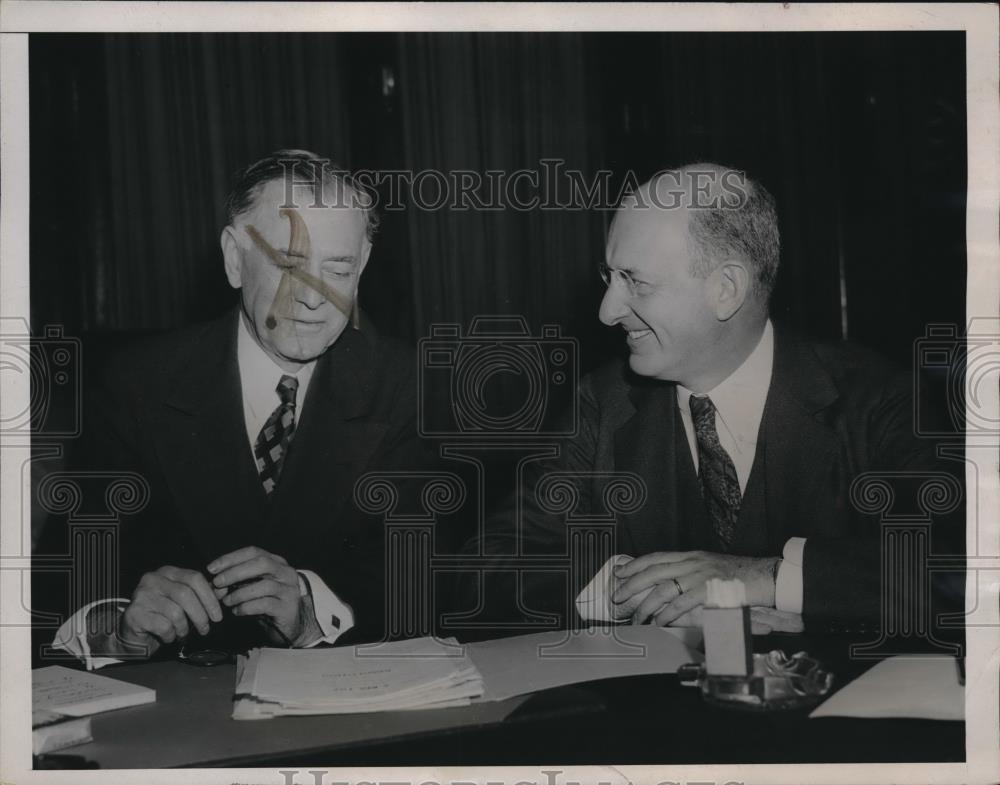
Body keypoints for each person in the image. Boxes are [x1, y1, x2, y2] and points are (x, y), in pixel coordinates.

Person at [460, 163, 961, 635]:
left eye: (635, 281)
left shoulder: (876, 399)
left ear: (726, 289)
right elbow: (489, 566)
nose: (608, 310)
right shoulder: (602, 402)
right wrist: (649, 594)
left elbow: (960, 569)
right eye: (608, 278)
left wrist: (765, 578)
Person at [41, 149, 424, 665]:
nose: (314, 298)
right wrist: (117, 623)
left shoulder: (407, 389)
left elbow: (425, 593)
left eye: (338, 268)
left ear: (363, 269)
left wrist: (312, 613)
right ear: (233, 258)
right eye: (289, 262)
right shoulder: (137, 384)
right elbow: (56, 585)